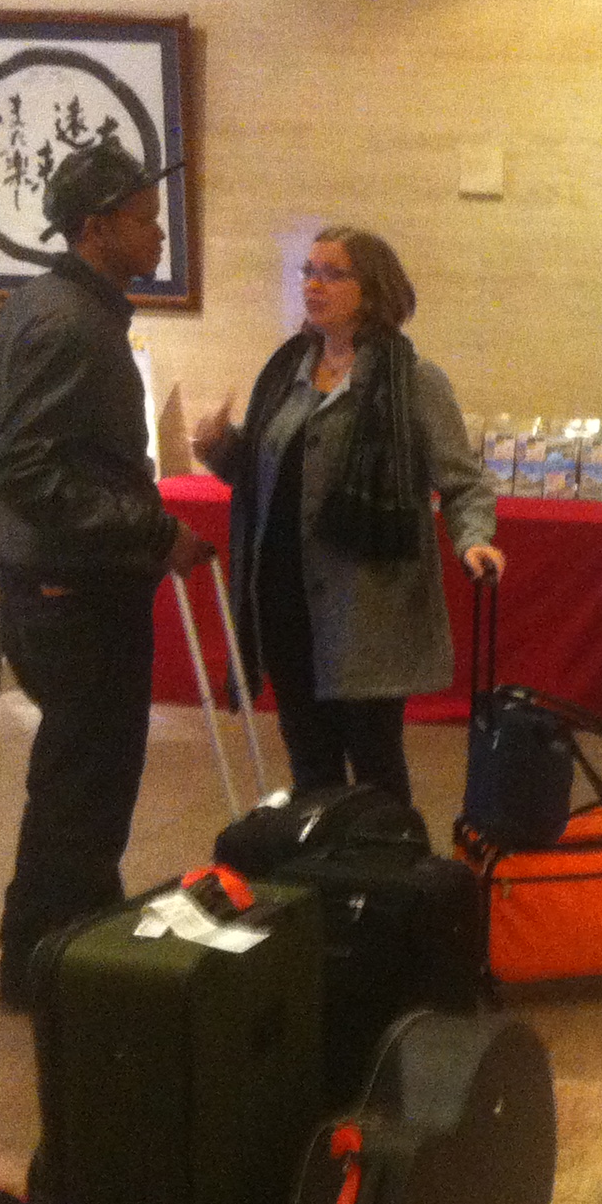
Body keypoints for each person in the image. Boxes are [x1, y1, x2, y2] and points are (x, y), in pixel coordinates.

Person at [0, 139, 213, 1014]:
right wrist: (151, 528)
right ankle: (45, 973)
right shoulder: (70, 324)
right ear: (97, 229)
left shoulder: (41, 305)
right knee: (82, 790)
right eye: (145, 220)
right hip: (77, 595)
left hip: (50, 587)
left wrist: (31, 523)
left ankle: (73, 957)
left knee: (80, 783)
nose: (159, 234)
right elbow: (19, 463)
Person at [191, 228, 500, 807]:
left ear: (374, 289)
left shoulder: (413, 381)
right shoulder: (287, 372)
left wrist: (474, 540)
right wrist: (219, 448)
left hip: (366, 609)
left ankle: (388, 862)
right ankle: (325, 862)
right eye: (308, 272)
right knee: (310, 760)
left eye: (333, 274)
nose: (314, 285)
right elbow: (264, 479)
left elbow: (463, 483)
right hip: (283, 600)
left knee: (375, 762)